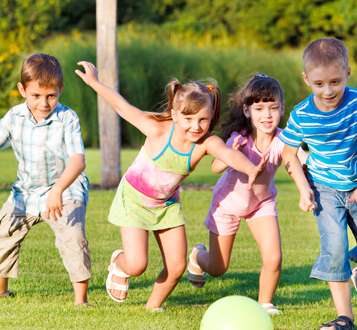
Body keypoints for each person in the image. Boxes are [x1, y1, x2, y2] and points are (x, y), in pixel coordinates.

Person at [75, 61, 266, 312]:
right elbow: (123, 107)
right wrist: (95, 83)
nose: (195, 126)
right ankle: (120, 265)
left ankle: (152, 307)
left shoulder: (205, 143)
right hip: (134, 200)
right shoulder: (156, 129)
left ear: (210, 118)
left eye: (203, 119)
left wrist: (251, 169)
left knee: (176, 266)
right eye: (188, 118)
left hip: (166, 205)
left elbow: (228, 155)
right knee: (137, 264)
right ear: (175, 114)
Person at [280, 38, 357, 330]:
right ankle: (344, 318)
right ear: (306, 79)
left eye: (335, 81)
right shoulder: (302, 114)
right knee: (334, 248)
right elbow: (288, 154)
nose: (328, 90)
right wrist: (303, 188)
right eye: (319, 84)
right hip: (324, 190)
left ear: (348, 73)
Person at [0, 53, 92, 307]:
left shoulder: (67, 119)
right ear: (22, 90)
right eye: (36, 95)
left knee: (73, 238)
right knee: (1, 234)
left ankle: (81, 301)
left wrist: (58, 189)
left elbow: (78, 160)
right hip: (26, 193)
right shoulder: (14, 117)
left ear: (60, 90)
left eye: (51, 95)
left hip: (65, 190)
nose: (44, 103)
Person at [186, 73, 307, 315]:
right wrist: (229, 152)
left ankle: (265, 303)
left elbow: (300, 161)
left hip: (261, 204)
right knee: (218, 268)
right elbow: (215, 167)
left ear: (283, 109)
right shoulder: (238, 138)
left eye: (273, 108)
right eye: (259, 108)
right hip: (227, 204)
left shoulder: (284, 139)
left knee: (273, 257)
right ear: (247, 111)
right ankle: (198, 256)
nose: (267, 115)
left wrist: (313, 176)